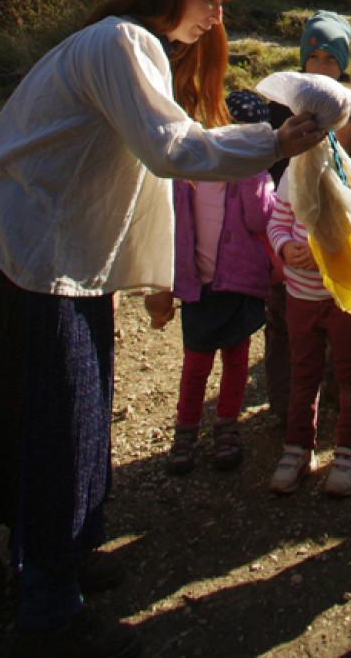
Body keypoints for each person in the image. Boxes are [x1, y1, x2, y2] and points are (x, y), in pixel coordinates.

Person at [0, 0, 325, 653]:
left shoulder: (125, 48)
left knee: (78, 407)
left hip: (54, 256)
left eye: (222, 4)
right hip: (24, 253)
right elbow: (172, 152)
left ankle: (67, 556)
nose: (215, 15)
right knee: (52, 417)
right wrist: (275, 142)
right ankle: (48, 607)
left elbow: (159, 157)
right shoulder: (120, 42)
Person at [225, 7, 351, 430]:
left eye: (330, 60)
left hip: (335, 241)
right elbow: (271, 175)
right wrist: (278, 238)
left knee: (338, 319)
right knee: (283, 321)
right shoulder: (281, 108)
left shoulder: (349, 109)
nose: (321, 67)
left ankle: (335, 387)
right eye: (314, 58)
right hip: (285, 235)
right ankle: (286, 399)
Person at [266, 75, 351, 499]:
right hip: (300, 295)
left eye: (336, 122)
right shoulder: (292, 176)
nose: (325, 132)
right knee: (304, 372)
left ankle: (350, 449)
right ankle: (299, 446)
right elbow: (277, 221)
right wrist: (285, 249)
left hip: (346, 299)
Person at [145, 162, 277, 475]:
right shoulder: (182, 175)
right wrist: (160, 282)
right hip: (198, 286)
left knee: (236, 359)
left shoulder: (248, 170)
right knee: (195, 364)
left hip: (237, 281)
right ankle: (186, 429)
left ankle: (226, 425)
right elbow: (165, 223)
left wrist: (247, 169)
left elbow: (262, 217)